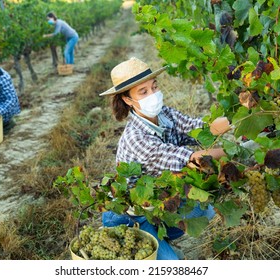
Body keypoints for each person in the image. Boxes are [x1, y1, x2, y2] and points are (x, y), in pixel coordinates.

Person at [99, 57, 231, 260]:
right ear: (127, 99)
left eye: (154, 87)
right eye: (143, 92)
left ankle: (161, 237)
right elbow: (193, 159)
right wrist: (235, 151)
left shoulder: (164, 113)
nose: (153, 95)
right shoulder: (136, 138)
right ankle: (137, 246)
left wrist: (239, 120)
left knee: (207, 206)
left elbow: (201, 129)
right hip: (129, 216)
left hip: (156, 205)